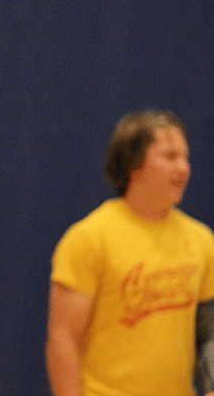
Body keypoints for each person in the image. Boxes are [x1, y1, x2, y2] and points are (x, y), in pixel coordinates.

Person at [46, 110, 214, 396]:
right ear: (134, 165)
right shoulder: (90, 238)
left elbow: (208, 331)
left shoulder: (202, 240)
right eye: (170, 156)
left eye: (186, 158)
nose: (184, 168)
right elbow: (63, 338)